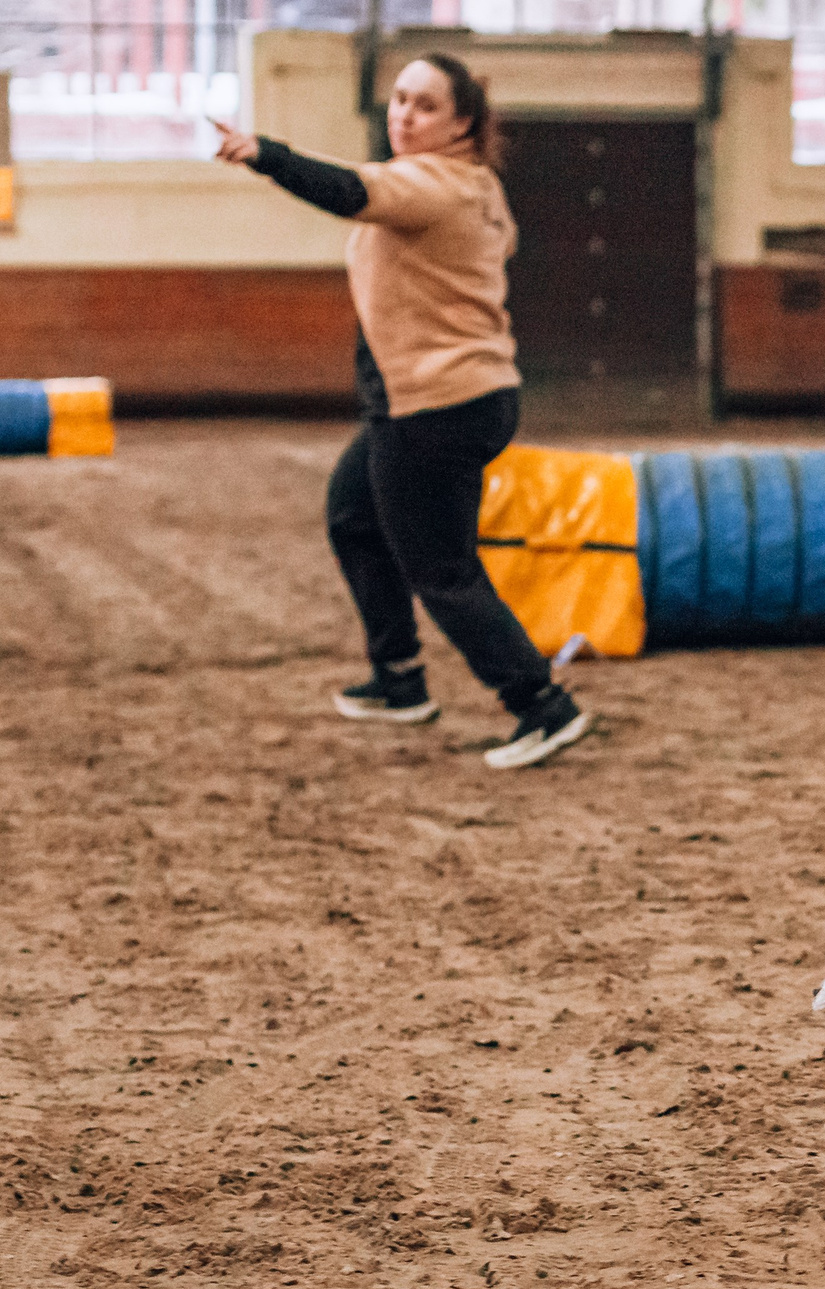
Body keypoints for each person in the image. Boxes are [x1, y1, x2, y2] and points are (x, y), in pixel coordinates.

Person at [212, 54, 590, 771]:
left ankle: (541, 704)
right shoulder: (473, 186)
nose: (402, 115)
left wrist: (267, 155)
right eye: (398, 100)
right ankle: (399, 679)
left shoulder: (430, 185)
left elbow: (350, 187)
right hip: (448, 398)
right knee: (354, 516)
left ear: (462, 123)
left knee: (443, 569)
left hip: (436, 404)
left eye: (423, 106)